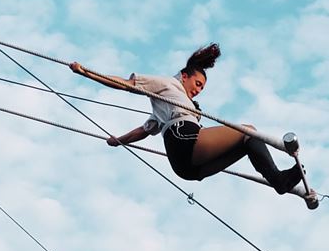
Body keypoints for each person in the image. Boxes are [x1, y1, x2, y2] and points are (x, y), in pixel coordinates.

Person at [70, 43, 310, 196]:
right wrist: (86, 72)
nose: (197, 91)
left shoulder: (167, 108)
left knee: (246, 143)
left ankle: (280, 180)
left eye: (202, 89)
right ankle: (279, 180)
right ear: (184, 76)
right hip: (185, 141)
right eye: (196, 84)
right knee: (248, 131)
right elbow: (126, 84)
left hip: (187, 168)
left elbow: (143, 131)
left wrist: (117, 141)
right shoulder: (167, 84)